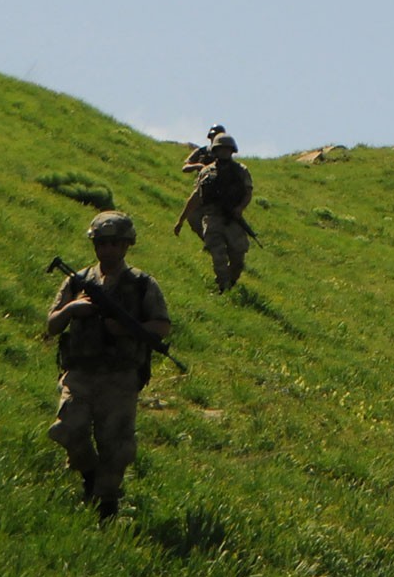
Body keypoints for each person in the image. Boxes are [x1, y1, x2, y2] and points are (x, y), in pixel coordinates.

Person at [46, 211, 172, 520]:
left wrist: (126, 328)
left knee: (116, 446)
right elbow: (51, 325)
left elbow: (161, 326)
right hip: (80, 372)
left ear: (127, 245)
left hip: (120, 376)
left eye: (116, 243)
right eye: (102, 243)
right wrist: (72, 309)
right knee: (67, 429)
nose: (108, 250)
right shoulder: (78, 281)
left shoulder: (142, 284)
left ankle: (106, 504)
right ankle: (89, 475)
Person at [175, 133, 254, 291]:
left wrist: (239, 209)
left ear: (232, 151)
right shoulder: (206, 172)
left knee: (238, 258)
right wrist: (181, 220)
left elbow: (248, 192)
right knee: (218, 256)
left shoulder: (240, 170)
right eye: (220, 149)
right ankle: (223, 287)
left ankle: (231, 281)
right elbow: (196, 196)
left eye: (227, 149)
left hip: (232, 218)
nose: (224, 152)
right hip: (212, 218)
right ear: (215, 151)